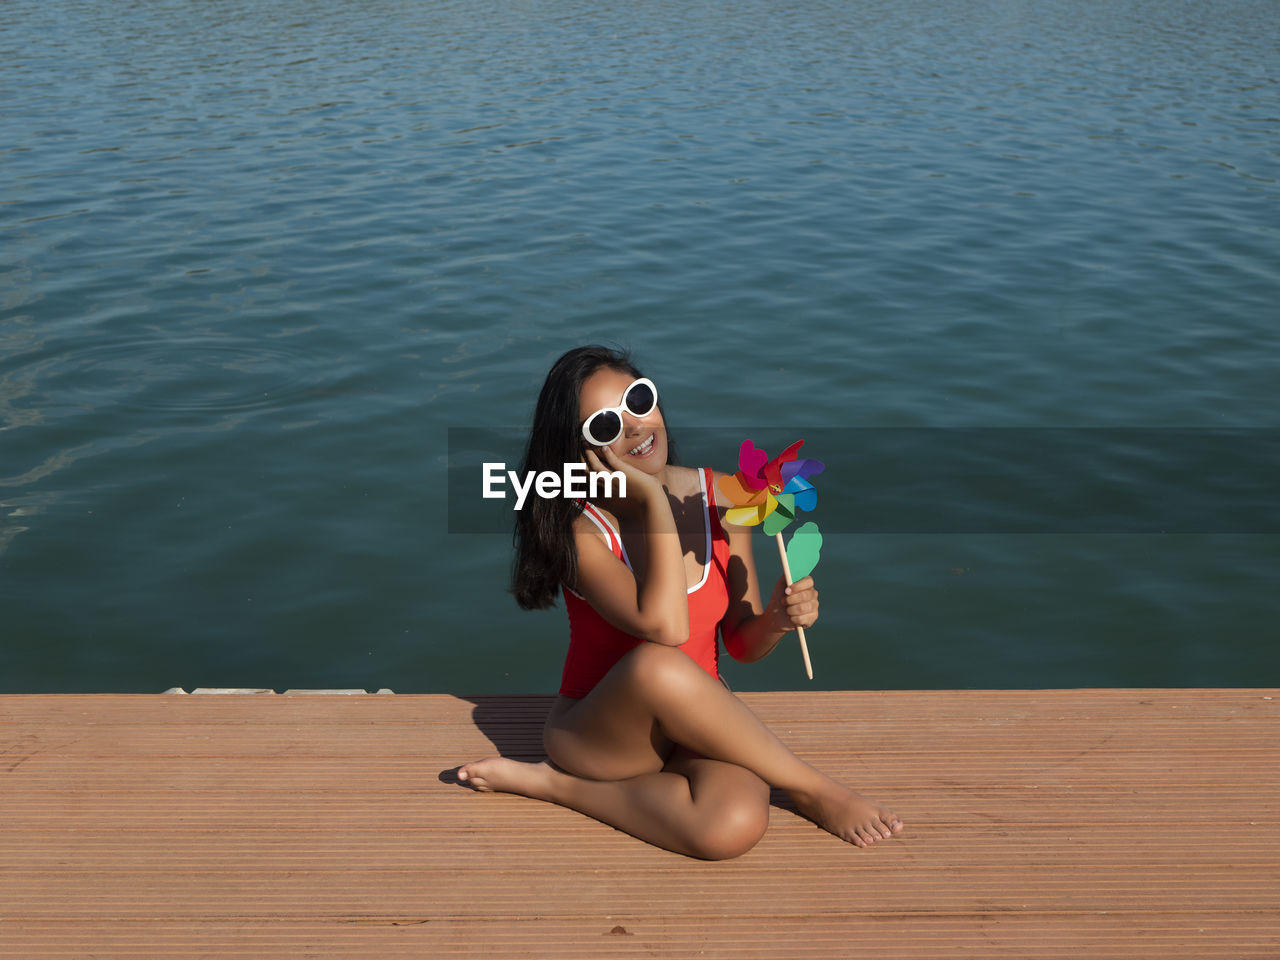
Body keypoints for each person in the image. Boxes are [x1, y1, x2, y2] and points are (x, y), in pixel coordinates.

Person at [458, 345, 903, 860]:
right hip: (604, 735)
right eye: (604, 426)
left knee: (730, 826)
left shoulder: (723, 496)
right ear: (581, 451)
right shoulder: (582, 533)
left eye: (638, 400)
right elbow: (666, 629)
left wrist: (777, 621)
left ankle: (555, 788)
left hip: (694, 723)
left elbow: (739, 643)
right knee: (656, 665)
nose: (633, 427)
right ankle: (815, 789)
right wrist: (651, 499)